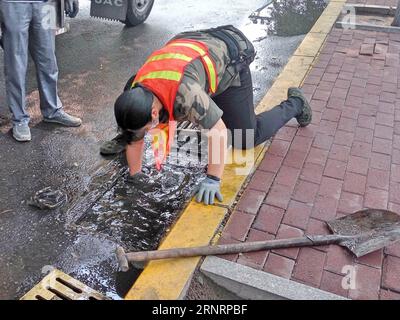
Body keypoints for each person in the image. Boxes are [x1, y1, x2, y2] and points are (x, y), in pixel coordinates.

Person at [111, 25, 312, 205]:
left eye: (146, 129)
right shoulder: (135, 88)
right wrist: (135, 177)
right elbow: (134, 138)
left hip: (232, 57)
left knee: (247, 136)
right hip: (195, 45)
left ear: (154, 112)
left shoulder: (186, 95)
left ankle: (296, 103)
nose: (144, 135)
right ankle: (214, 108)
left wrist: (213, 178)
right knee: (207, 114)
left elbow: (219, 132)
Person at [0, 0, 81, 142]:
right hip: (13, 4)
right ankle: (19, 119)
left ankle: (52, 110)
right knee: (16, 64)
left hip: (45, 4)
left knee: (48, 58)